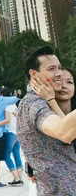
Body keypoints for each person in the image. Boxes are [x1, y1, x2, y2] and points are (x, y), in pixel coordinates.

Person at [17, 46, 76, 195]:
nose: (58, 74)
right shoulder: (32, 103)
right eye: (51, 69)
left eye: (59, 67)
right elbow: (63, 131)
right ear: (34, 74)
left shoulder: (47, 100)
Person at [28, 67, 76, 196]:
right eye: (59, 81)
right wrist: (31, 167)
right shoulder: (42, 114)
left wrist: (51, 100)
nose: (64, 86)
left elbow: (67, 134)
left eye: (69, 82)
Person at [0, 94, 23, 186]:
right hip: (17, 132)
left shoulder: (7, 106)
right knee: (16, 154)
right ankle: (19, 178)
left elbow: (7, 120)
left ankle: (17, 178)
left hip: (10, 133)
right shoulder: (14, 105)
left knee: (6, 156)